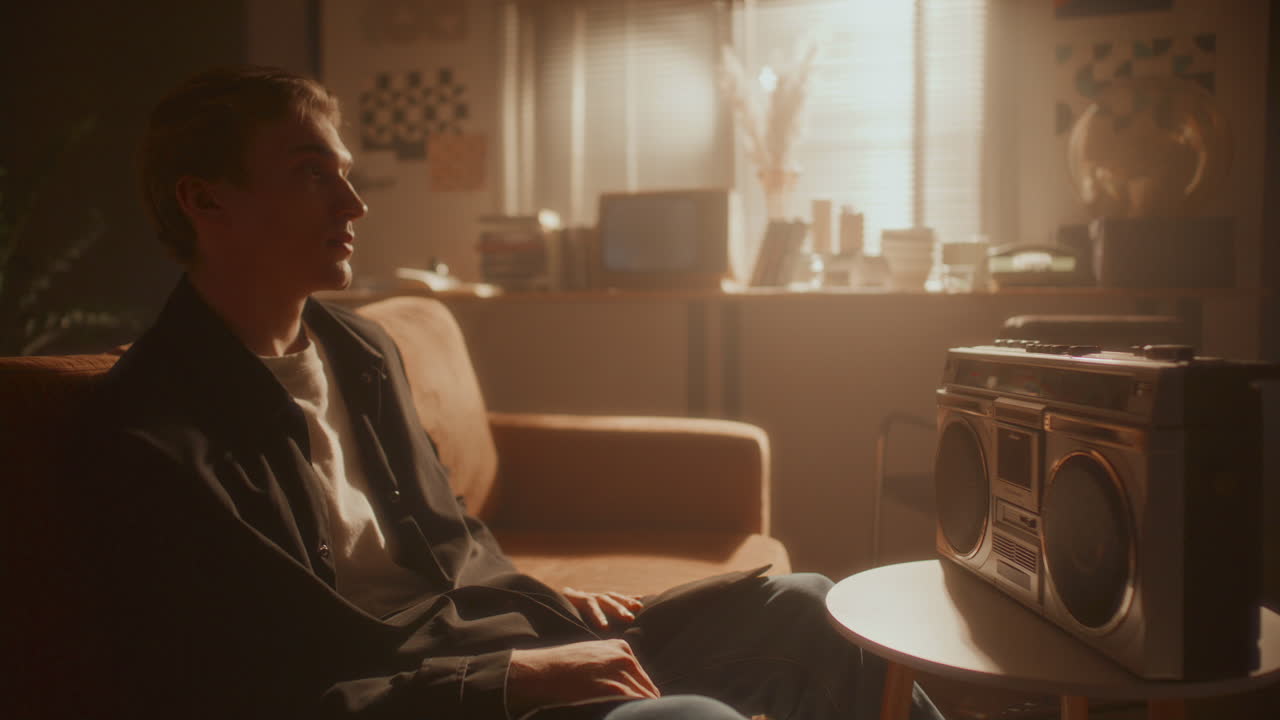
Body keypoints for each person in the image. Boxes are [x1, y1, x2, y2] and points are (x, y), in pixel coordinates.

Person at [64, 66, 944, 720]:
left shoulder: (361, 353)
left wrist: (539, 604)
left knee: (807, 605)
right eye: (309, 173)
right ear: (204, 199)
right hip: (440, 700)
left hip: (495, 641)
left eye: (345, 171)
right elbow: (245, 697)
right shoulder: (152, 435)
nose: (353, 203)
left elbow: (449, 544)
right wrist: (508, 680)